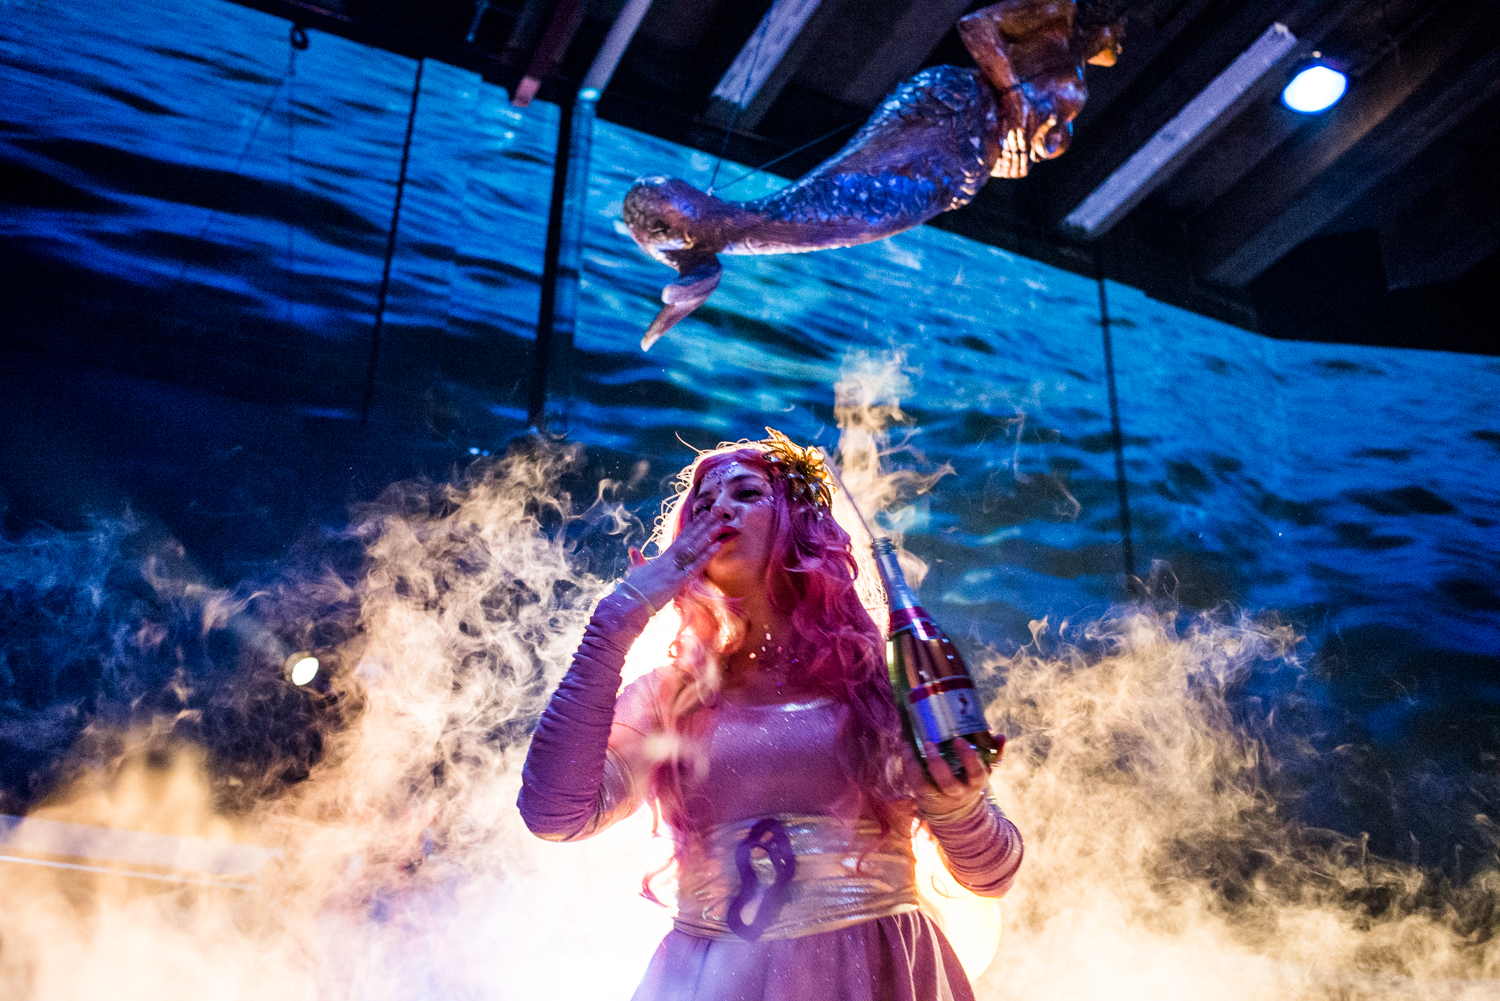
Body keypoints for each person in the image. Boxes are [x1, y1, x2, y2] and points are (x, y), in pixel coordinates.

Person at [518, 431, 1023, 1001]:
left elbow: (993, 874)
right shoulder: (668, 697)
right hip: (710, 979)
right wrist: (615, 622)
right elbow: (553, 814)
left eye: (746, 494)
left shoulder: (882, 683)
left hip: (875, 969)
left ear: (801, 523)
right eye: (703, 505)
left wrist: (955, 803)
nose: (720, 510)